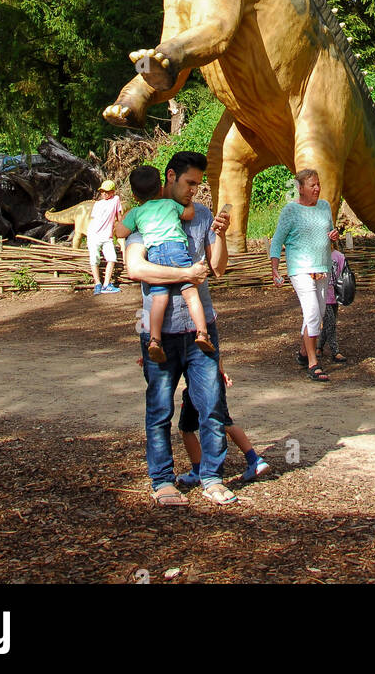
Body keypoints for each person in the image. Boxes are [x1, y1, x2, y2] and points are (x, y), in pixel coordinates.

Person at [124, 151, 237, 506]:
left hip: (202, 328)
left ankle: (212, 477)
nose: (194, 191)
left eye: (198, 185)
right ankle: (162, 481)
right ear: (170, 176)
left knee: (212, 405)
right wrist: (185, 274)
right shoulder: (145, 217)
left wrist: (219, 236)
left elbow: (218, 269)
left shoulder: (201, 215)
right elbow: (135, 269)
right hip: (161, 333)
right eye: (190, 183)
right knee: (160, 409)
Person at [115, 163, 214, 363]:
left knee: (159, 299)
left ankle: (154, 340)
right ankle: (202, 333)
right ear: (161, 188)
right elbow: (189, 215)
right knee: (191, 294)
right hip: (177, 251)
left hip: (155, 255)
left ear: (134, 196)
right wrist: (189, 203)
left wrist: (123, 219)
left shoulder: (136, 212)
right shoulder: (169, 205)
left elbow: (120, 233)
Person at [270, 168, 339, 383]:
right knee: (311, 313)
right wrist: (275, 268)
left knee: (317, 313)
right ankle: (312, 363)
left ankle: (302, 353)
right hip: (300, 269)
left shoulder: (325, 207)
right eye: (312, 185)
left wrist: (334, 236)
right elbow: (277, 240)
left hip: (322, 267)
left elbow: (330, 234)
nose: (317, 188)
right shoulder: (290, 211)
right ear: (300, 188)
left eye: (318, 184)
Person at [176, 356, 269, 486]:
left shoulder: (189, 337)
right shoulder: (208, 337)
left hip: (199, 382)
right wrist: (221, 371)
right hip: (214, 378)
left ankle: (197, 471)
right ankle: (254, 459)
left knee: (187, 428)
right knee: (225, 423)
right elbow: (215, 349)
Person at [87, 178, 122, 294]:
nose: (104, 194)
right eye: (102, 191)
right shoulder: (97, 204)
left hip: (107, 236)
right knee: (94, 259)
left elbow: (119, 217)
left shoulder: (116, 200)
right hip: (94, 235)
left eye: (107, 191)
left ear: (112, 192)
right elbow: (93, 220)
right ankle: (97, 283)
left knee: (112, 258)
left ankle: (106, 284)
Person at [318, 244, 347, 362]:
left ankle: (319, 347)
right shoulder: (318, 256)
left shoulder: (339, 256)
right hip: (323, 296)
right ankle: (335, 352)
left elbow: (344, 275)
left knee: (328, 323)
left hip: (335, 295)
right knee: (331, 323)